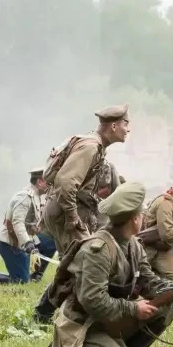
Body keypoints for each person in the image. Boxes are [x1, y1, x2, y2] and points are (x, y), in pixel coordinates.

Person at [37, 182, 173, 347]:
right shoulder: (98, 250)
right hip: (86, 327)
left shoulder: (133, 245)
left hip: (109, 320)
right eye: (141, 213)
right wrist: (133, 308)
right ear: (135, 219)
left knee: (163, 309)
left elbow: (153, 286)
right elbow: (92, 300)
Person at [34, 106, 129, 323]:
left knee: (74, 264)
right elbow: (66, 183)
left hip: (64, 210)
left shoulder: (95, 145)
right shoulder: (91, 146)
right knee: (84, 264)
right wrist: (72, 217)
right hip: (64, 212)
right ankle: (58, 315)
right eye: (125, 124)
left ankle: (45, 313)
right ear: (113, 126)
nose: (127, 130)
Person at [0, 168, 48, 283]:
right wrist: (27, 243)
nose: (50, 185)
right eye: (48, 182)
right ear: (40, 181)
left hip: (20, 244)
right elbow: (17, 222)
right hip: (10, 243)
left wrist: (35, 228)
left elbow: (28, 222)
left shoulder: (36, 195)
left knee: (23, 280)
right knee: (21, 282)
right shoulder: (25, 196)